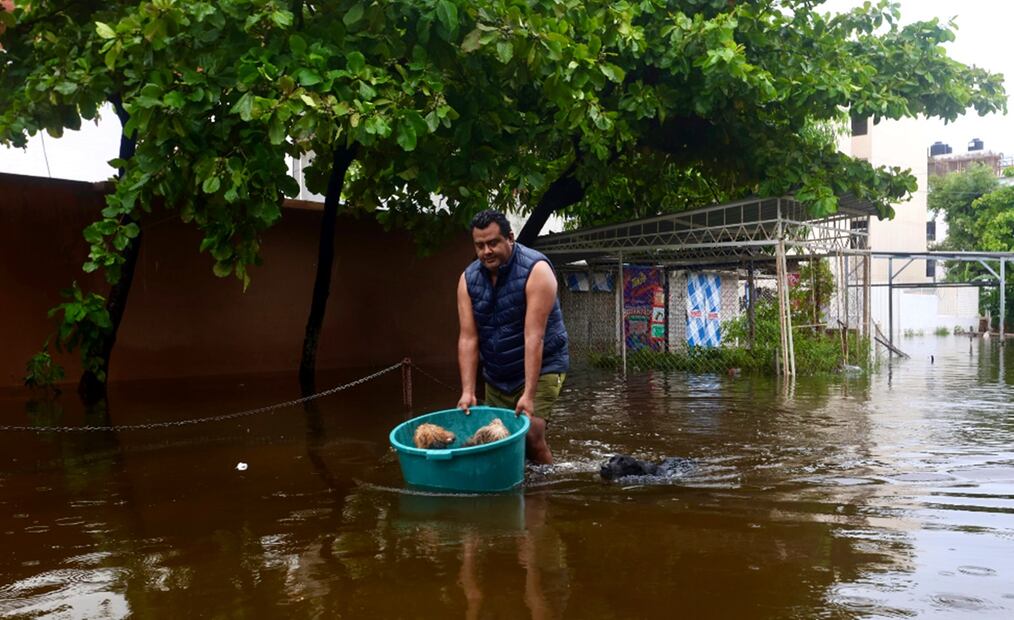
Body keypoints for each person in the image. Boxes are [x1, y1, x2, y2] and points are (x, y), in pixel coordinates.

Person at [456, 210, 569, 464]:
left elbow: (534, 337)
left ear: (510, 238)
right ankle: (511, 492)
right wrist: (467, 391)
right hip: (498, 374)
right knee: (494, 438)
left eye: (493, 243)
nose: (486, 251)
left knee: (531, 436)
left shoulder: (536, 270)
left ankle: (544, 494)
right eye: (480, 245)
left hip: (544, 365)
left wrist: (528, 395)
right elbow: (468, 339)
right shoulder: (468, 280)